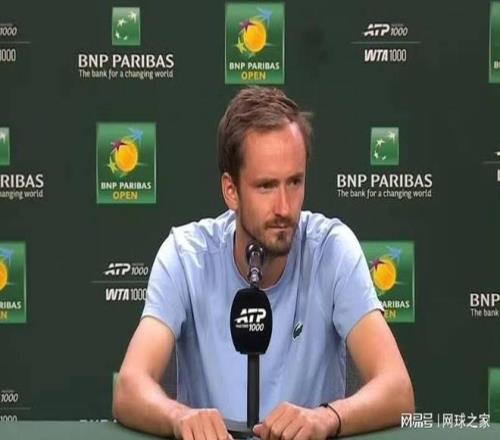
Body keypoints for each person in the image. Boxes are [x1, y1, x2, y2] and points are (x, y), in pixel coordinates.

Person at [113, 87, 415, 440]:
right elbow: (129, 387)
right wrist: (180, 418)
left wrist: (327, 417)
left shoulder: (331, 250)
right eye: (266, 186)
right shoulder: (185, 256)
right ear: (231, 190)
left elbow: (398, 390)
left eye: (295, 182)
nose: (285, 207)